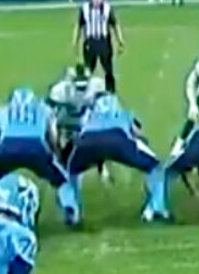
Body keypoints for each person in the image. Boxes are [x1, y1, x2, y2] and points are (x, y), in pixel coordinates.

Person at [59, 94, 170, 224]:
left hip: (87, 141)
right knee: (155, 167)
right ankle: (155, 208)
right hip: (118, 140)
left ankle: (72, 211)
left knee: (67, 172)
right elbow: (137, 133)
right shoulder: (125, 113)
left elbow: (72, 134)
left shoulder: (88, 114)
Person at [0, 88, 74, 220]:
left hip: (7, 147)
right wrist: (56, 154)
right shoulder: (44, 110)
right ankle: (70, 209)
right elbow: (52, 136)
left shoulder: (3, 111)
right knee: (61, 181)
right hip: (35, 147)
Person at [73, 0, 125, 93]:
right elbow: (79, 25)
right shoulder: (85, 9)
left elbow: (115, 24)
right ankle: (86, 94)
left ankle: (111, 93)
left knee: (108, 70)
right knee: (88, 71)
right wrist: (75, 42)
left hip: (103, 42)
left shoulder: (107, 8)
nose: (97, 0)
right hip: (90, 43)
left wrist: (120, 41)